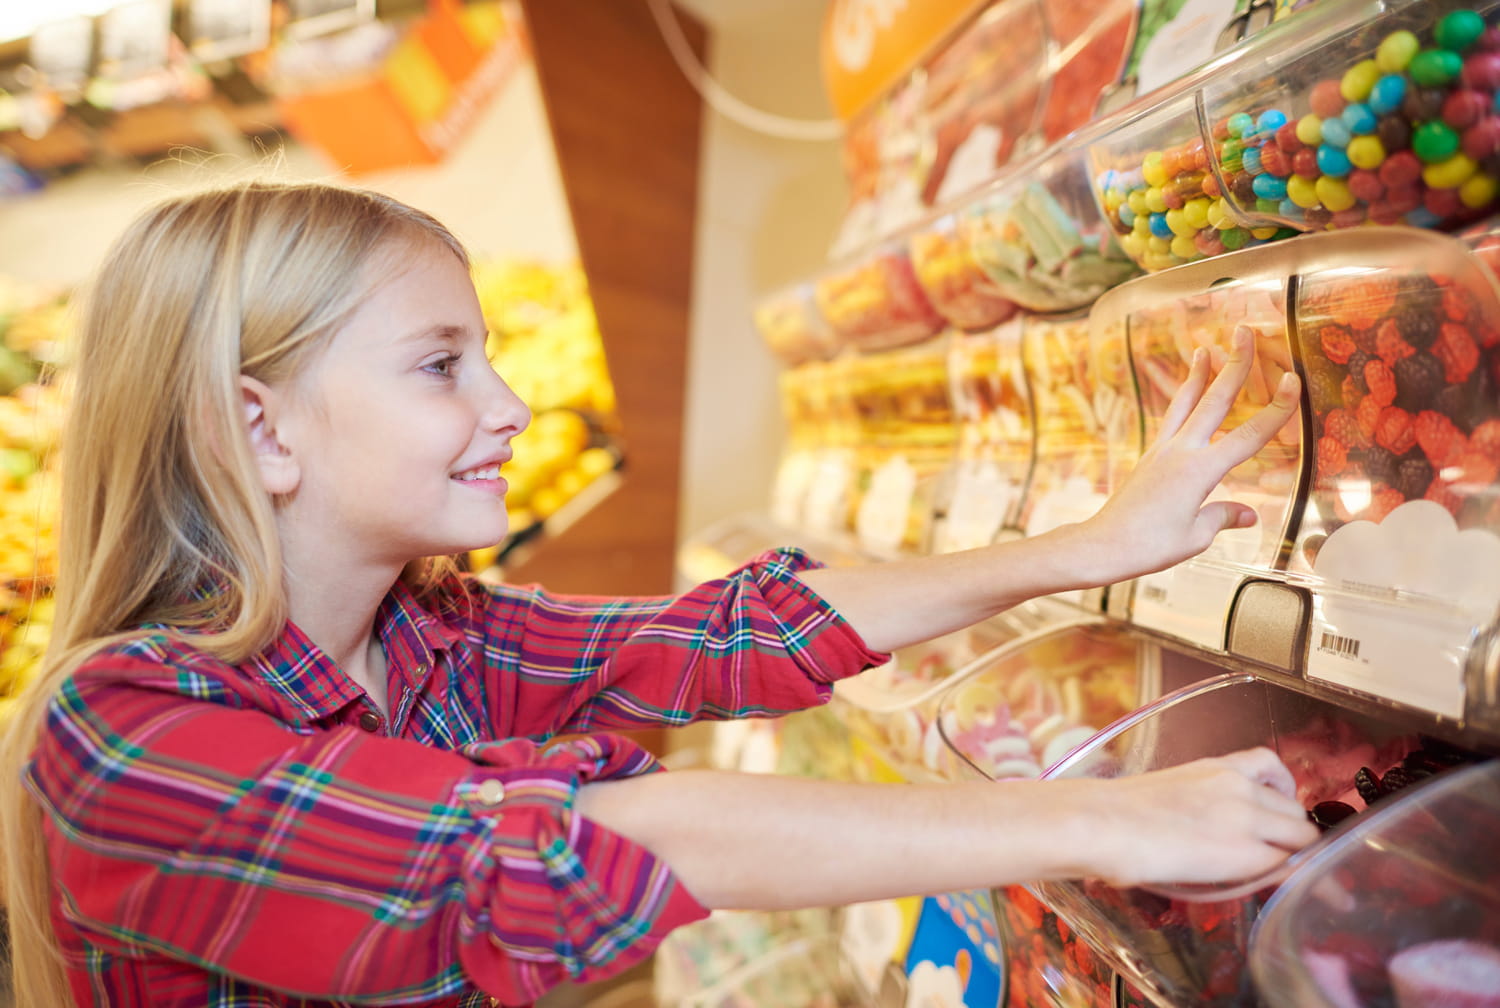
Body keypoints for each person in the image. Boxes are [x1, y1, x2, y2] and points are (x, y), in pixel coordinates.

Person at [0, 180, 1315, 1008]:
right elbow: (609, 839)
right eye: (440, 365)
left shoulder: (426, 634)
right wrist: (1104, 821)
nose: (510, 408)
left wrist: (1082, 546)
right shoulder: (120, 744)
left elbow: (728, 636)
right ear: (261, 428)